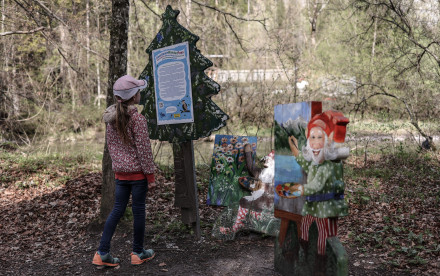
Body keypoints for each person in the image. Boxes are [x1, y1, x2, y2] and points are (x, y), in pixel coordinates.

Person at [92, 75, 156, 267]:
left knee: (117, 210)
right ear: (134, 96)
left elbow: (112, 147)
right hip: (137, 176)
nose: (139, 94)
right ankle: (137, 253)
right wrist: (150, 177)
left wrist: (120, 166)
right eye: (138, 91)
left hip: (120, 175)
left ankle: (102, 253)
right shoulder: (137, 119)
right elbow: (144, 150)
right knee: (138, 211)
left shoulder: (111, 119)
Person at [287, 110, 349, 273]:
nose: (315, 143)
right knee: (305, 224)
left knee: (323, 232)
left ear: (327, 142)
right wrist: (293, 147)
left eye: (319, 138)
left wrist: (300, 189)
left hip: (323, 207)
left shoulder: (327, 166)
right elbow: (304, 162)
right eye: (312, 138)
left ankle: (320, 263)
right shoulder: (315, 163)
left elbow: (316, 186)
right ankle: (306, 253)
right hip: (312, 206)